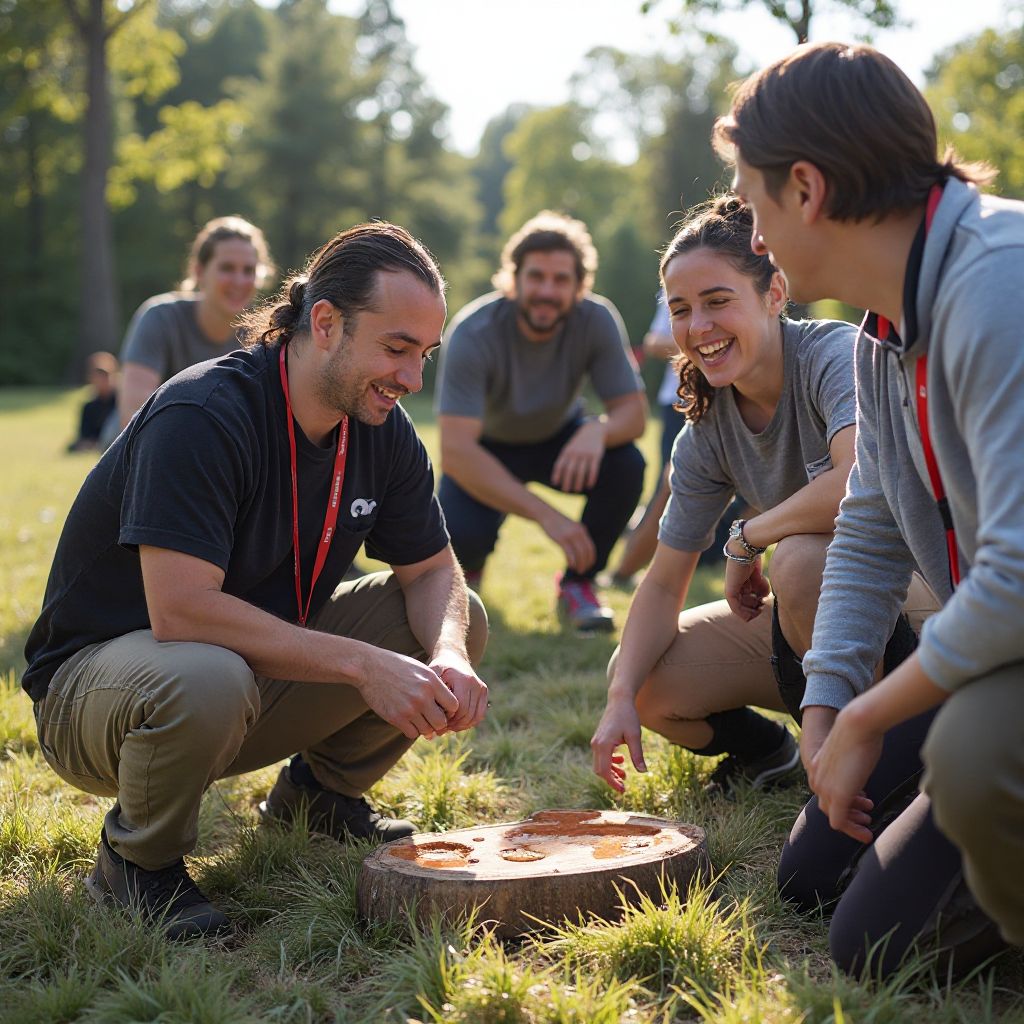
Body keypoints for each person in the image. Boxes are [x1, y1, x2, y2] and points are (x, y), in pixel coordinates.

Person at [23, 222, 488, 940]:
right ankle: (134, 863)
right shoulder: (205, 412)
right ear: (326, 324)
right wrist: (365, 667)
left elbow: (432, 571)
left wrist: (449, 654)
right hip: (101, 696)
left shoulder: (381, 426)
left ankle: (318, 796)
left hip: (235, 677)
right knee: (207, 675)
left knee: (457, 617)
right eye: (397, 349)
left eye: (425, 354)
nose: (413, 378)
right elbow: (180, 613)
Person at [715, 41, 1020, 977]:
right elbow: (872, 529)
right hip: (1001, 658)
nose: (757, 238)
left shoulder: (998, 285)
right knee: (827, 892)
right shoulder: (881, 335)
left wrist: (866, 720)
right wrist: (826, 703)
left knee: (970, 755)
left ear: (806, 188)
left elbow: (1017, 576)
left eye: (758, 207)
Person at [592, 194, 872, 796]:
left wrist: (748, 538)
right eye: (682, 310)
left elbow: (856, 482)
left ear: (774, 294)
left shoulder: (831, 353)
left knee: (797, 560)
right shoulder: (706, 427)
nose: (698, 328)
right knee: (640, 677)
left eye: (718, 302)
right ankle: (773, 754)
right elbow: (664, 582)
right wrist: (618, 701)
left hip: (905, 612)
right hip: (809, 625)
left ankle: (888, 755)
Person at [436, 210, 647, 632]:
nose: (547, 291)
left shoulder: (597, 319)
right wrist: (549, 516)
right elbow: (457, 452)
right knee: (461, 534)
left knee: (626, 465)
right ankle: (469, 577)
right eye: (536, 277)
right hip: (486, 447)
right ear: (512, 277)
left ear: (579, 285)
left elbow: (634, 413)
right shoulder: (473, 332)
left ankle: (579, 583)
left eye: (561, 280)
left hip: (560, 439)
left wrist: (597, 429)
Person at [117, 215, 274, 427]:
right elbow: (133, 417)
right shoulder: (160, 318)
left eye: (249, 271)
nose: (239, 281)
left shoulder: (266, 334)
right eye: (227, 268)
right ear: (199, 272)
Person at [67, 351, 119, 452]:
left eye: (104, 375)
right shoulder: (89, 407)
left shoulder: (120, 403)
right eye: (97, 376)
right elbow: (84, 436)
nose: (101, 380)